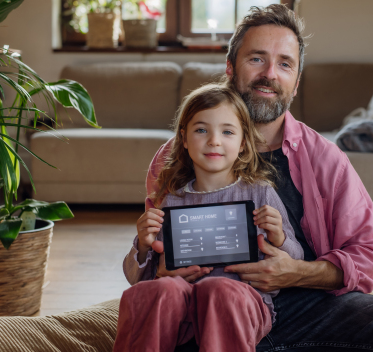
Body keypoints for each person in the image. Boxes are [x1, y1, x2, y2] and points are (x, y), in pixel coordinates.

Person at [133, 5, 373, 352]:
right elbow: (153, 256)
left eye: (284, 64)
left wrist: (296, 272)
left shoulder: (324, 157)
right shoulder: (176, 156)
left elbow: (370, 257)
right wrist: (162, 267)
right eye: (256, 58)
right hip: (209, 311)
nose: (270, 73)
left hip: (311, 306)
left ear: (296, 83)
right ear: (230, 68)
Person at [115, 84, 304, 352]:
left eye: (227, 132)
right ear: (184, 138)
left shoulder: (260, 193)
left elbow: (295, 260)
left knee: (219, 289)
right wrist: (144, 245)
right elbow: (138, 278)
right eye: (201, 130)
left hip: (240, 304)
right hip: (181, 307)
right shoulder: (171, 201)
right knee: (154, 291)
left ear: (242, 143)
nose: (214, 140)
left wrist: (280, 238)